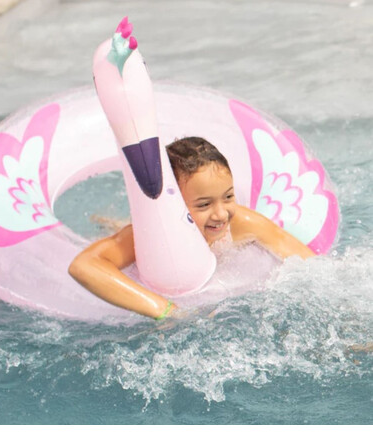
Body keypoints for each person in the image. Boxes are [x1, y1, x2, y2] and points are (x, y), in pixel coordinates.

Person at [68, 137, 315, 320]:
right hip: (156, 272)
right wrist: (166, 310)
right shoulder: (148, 236)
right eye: (204, 204)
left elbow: (310, 265)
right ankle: (109, 222)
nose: (221, 214)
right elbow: (83, 266)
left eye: (228, 197)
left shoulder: (241, 222)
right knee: (117, 229)